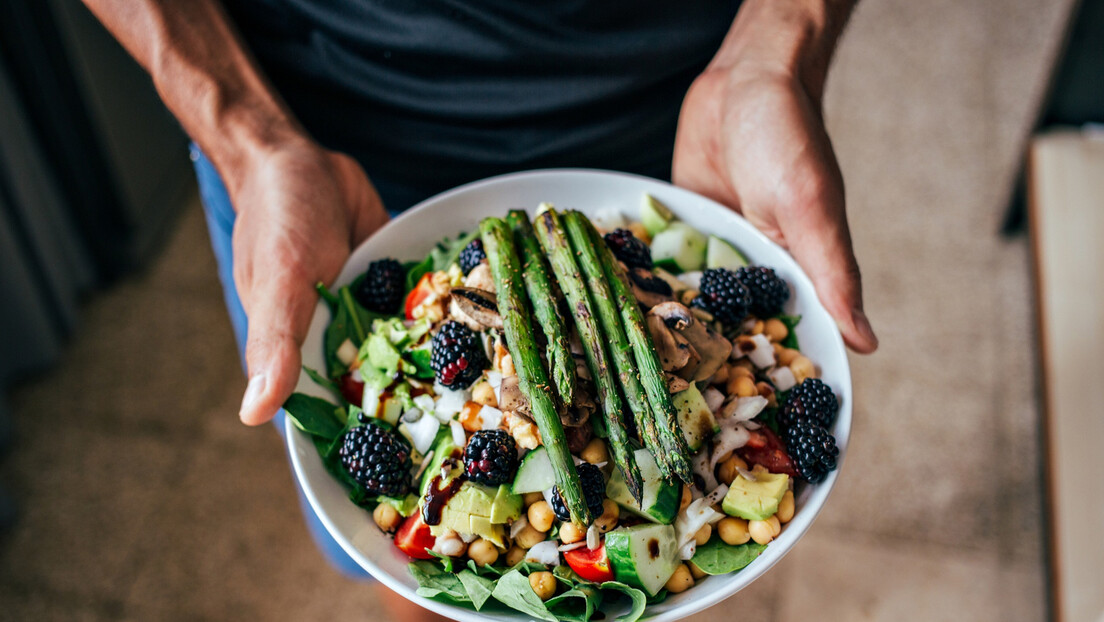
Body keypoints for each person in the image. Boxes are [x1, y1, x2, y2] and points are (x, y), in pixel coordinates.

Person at [83, 0, 878, 618]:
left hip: (680, 124)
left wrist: (777, 51)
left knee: (664, 589)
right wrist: (243, 133)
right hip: (304, 134)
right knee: (415, 589)